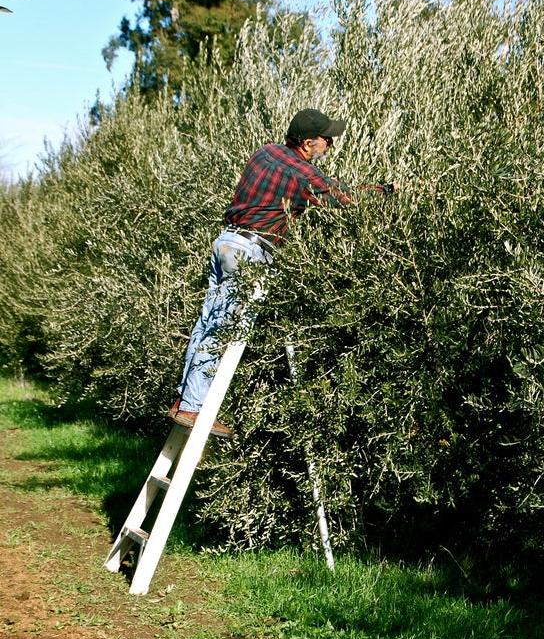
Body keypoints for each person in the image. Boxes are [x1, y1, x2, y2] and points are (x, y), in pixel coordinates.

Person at [168, 108, 396, 438]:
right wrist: (388, 189)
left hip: (226, 242)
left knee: (207, 323)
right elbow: (346, 197)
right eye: (326, 139)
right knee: (224, 330)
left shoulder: (265, 152)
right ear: (307, 143)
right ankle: (192, 407)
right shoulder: (302, 174)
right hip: (250, 251)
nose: (330, 144)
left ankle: (184, 400)